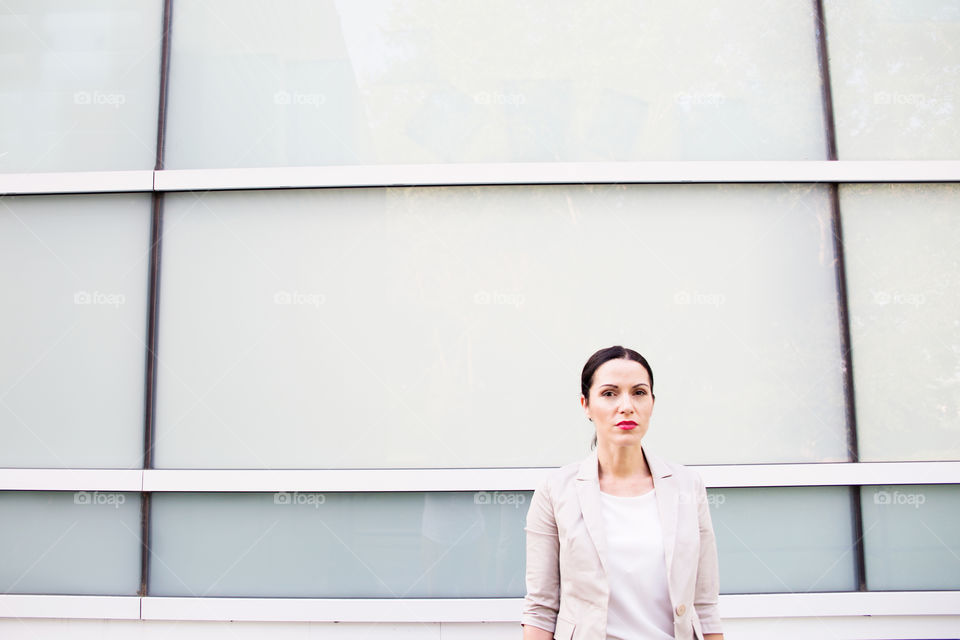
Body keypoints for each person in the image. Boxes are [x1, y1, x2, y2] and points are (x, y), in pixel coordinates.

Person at [521, 346, 723, 640]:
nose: (627, 406)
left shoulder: (687, 485)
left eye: (639, 392)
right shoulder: (556, 490)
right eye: (609, 393)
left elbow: (705, 606)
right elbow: (540, 609)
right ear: (585, 405)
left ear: (652, 402)